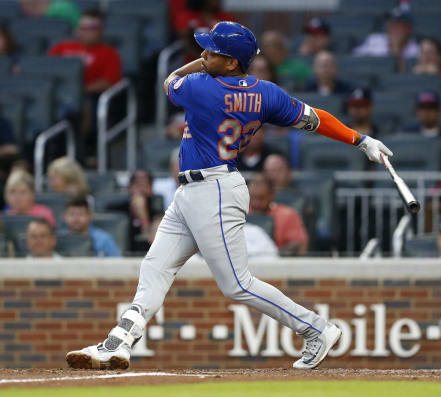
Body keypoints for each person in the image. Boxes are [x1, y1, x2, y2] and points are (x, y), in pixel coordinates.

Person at [66, 21, 392, 371]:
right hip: (195, 191)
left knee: (238, 285)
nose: (204, 54)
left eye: (213, 52)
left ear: (233, 62)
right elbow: (316, 119)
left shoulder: (199, 86)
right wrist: (361, 140)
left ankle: (316, 328)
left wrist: (198, 64)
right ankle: (120, 342)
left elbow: (168, 81)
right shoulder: (266, 92)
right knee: (155, 266)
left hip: (214, 190)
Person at [48, 8, 122, 152]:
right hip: (57, 95)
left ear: (101, 30)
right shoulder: (62, 47)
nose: (87, 31)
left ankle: (82, 149)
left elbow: (109, 82)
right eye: (83, 27)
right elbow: (46, 68)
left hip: (87, 98)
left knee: (84, 104)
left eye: (92, 28)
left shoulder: (109, 53)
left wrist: (80, 90)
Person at [249, 173, 308, 256]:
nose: (255, 203)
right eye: (252, 198)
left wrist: (273, 255)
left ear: (272, 195)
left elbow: (300, 245)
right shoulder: (240, 214)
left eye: (261, 198)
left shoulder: (288, 215)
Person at [106, 170, 161, 254]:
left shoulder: (157, 214)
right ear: (130, 188)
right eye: (138, 185)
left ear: (151, 190)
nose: (141, 190)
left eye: (146, 186)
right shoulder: (117, 210)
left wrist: (145, 222)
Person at [353, 8, 419, 71]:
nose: (394, 29)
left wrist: (396, 52)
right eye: (391, 24)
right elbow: (355, 60)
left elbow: (405, 77)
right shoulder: (374, 40)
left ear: (408, 29)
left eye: (398, 25)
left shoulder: (416, 49)